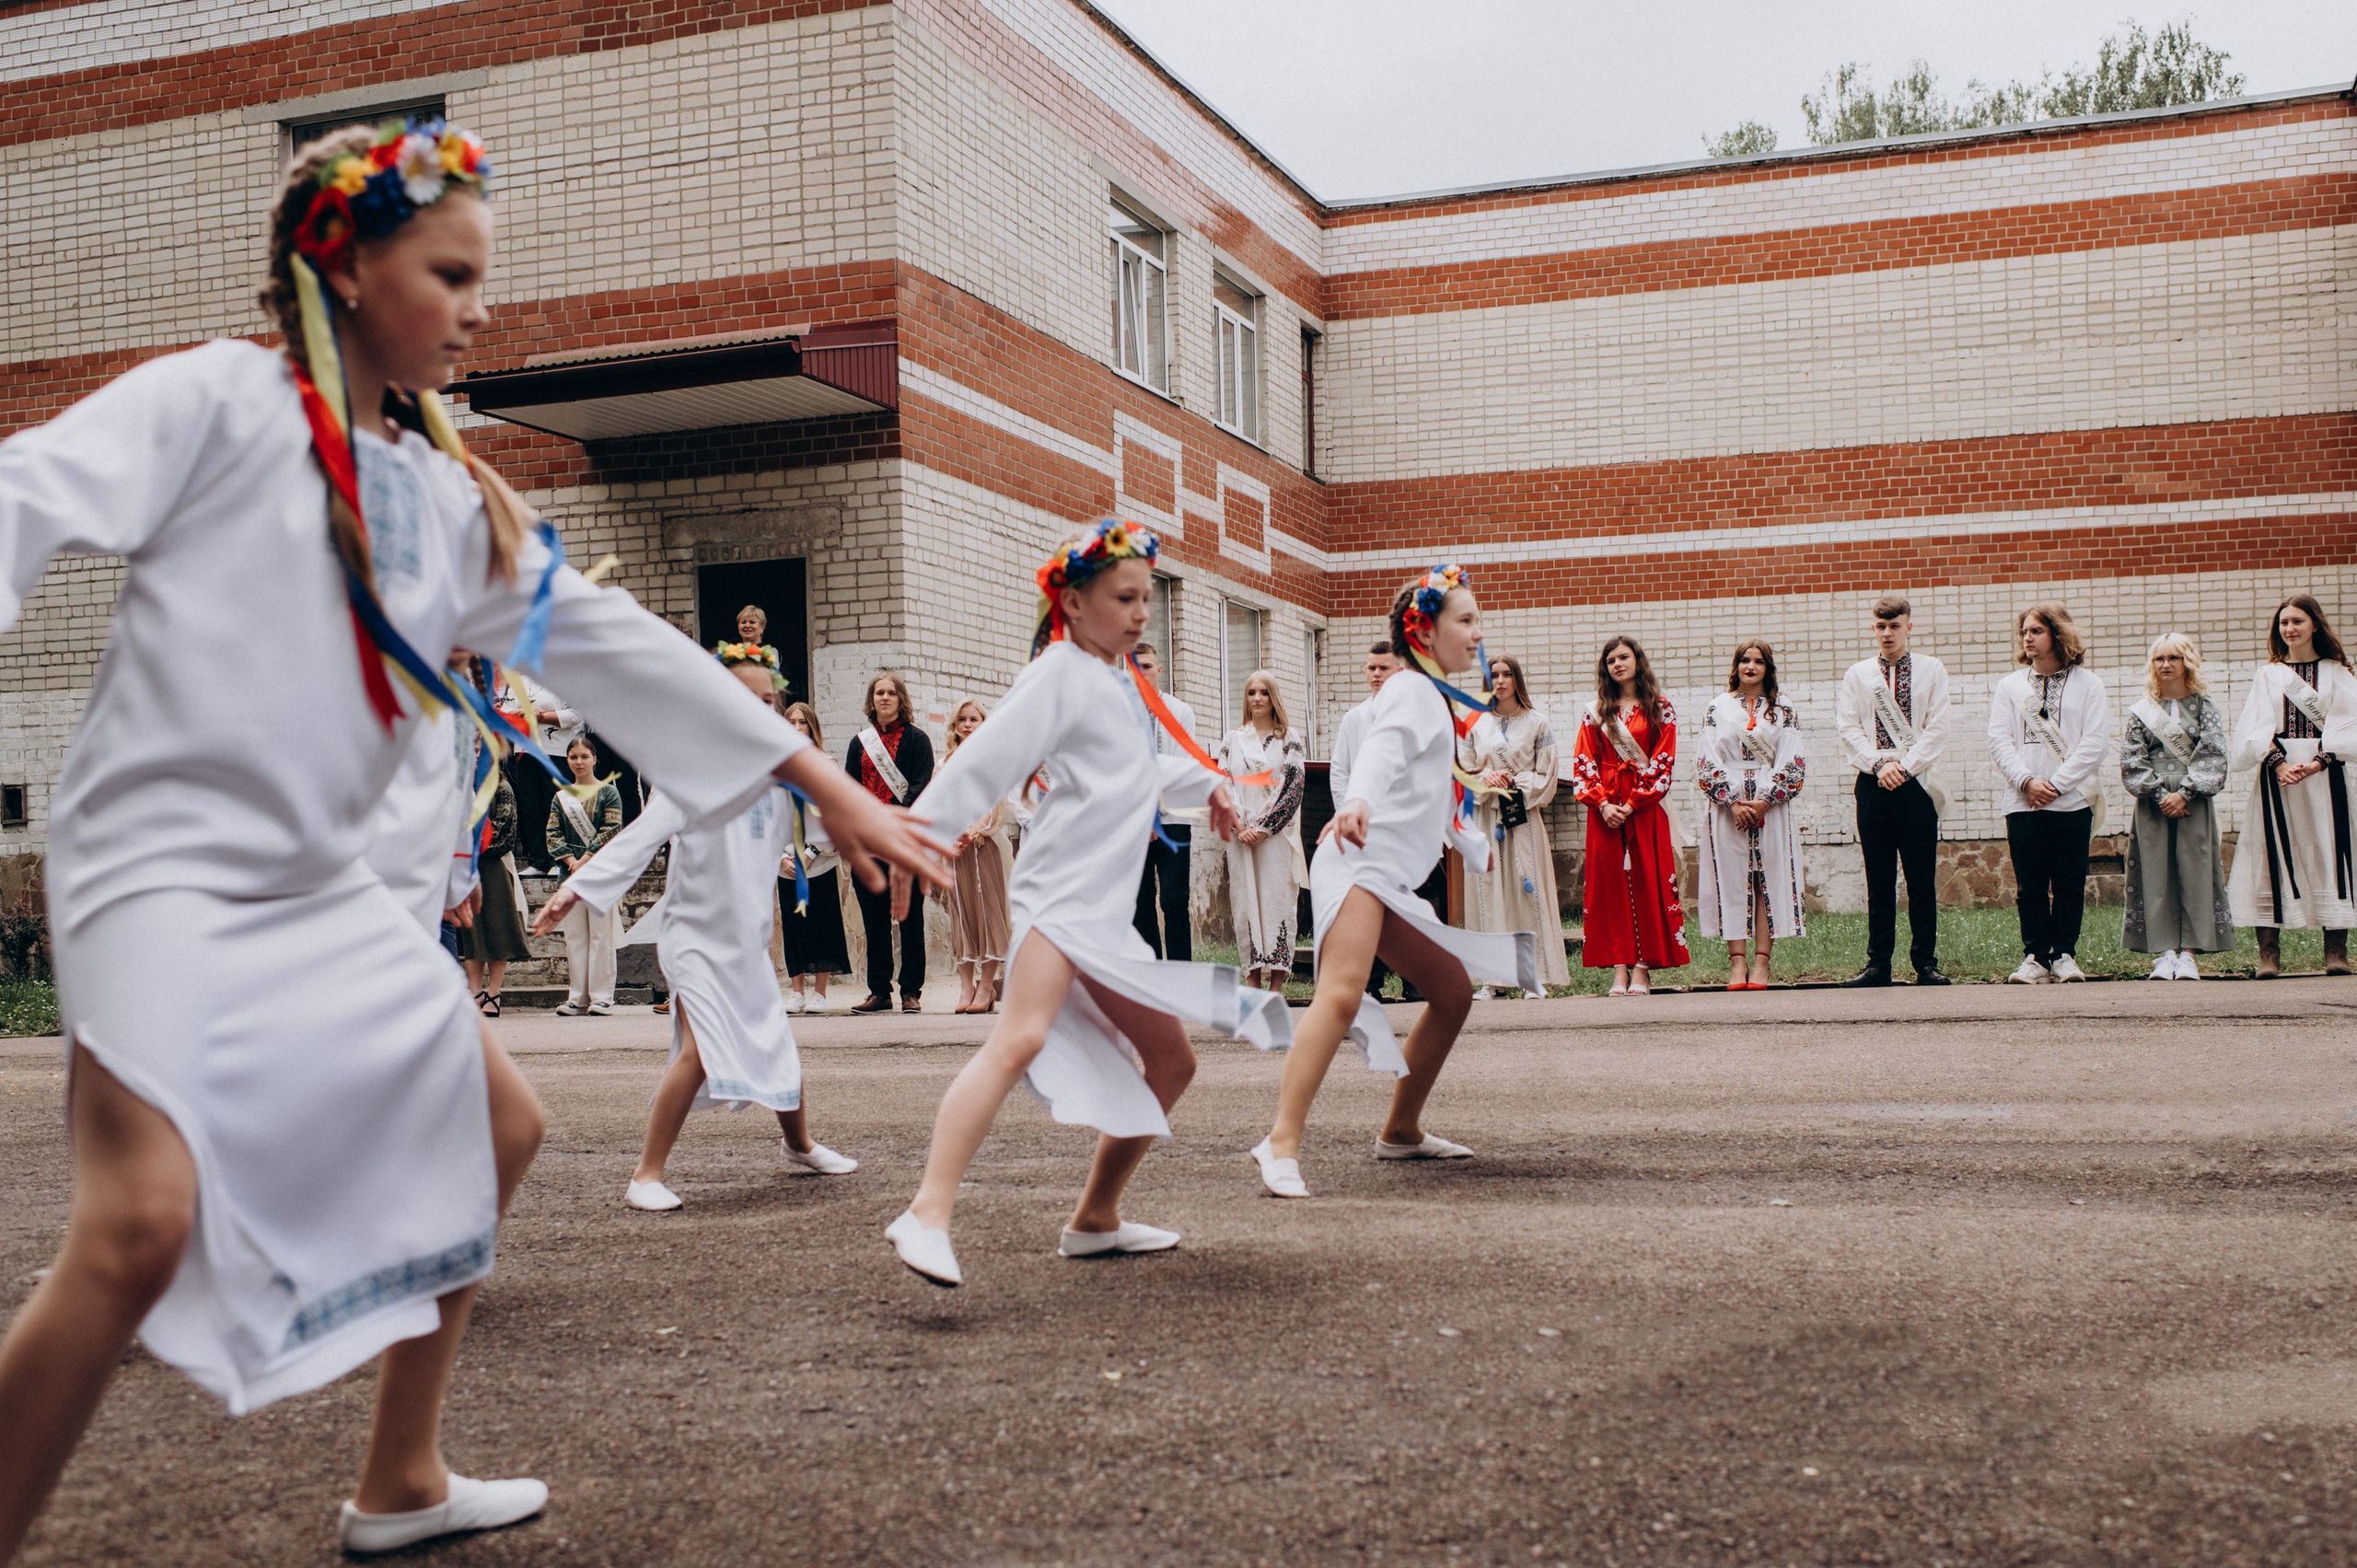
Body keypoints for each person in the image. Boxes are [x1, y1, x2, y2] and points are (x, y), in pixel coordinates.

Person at [0, 114, 944, 1559]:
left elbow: (622, 648)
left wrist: (823, 777)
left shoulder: (453, 502)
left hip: (318, 891)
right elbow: (23, 496)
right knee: (135, 1227)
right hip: (159, 866)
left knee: (499, 1120)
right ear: (346, 263)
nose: (480, 308)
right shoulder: (210, 403)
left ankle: (400, 1477)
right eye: (451, 272)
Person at [882, 519, 1287, 1287]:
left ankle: (1095, 1218)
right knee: (1019, 1038)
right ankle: (926, 1211)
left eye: (1146, 600)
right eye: (1124, 598)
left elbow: (1136, 772)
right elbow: (982, 762)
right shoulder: (1058, 673)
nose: (1142, 613)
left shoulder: (1114, 679)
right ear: (1071, 601)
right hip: (1057, 905)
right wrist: (916, 842)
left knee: (1171, 1062)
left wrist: (1214, 788)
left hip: (1102, 920)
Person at [1248, 564, 1537, 1200]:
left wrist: (1467, 842)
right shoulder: (1409, 692)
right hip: (1357, 861)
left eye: (1478, 620)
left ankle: (1401, 1130)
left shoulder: (1434, 699)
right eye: (1466, 620)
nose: (1478, 632)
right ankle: (1280, 1141)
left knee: (1452, 993)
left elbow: (1434, 788)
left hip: (1387, 876)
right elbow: (1381, 751)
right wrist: (1358, 801)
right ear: (1425, 631)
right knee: (1343, 992)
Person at [536, 647, 861, 1211]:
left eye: (768, 700)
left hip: (747, 944)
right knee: (701, 1050)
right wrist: (576, 889)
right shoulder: (690, 771)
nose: (758, 708)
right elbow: (640, 837)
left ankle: (800, 1145)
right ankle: (645, 1175)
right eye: (744, 697)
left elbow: (833, 821)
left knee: (776, 1044)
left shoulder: (782, 776)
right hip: (694, 943)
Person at [2227, 595, 2357, 976]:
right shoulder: (2269, 674)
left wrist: (2318, 763)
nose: (2290, 629)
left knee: (2330, 851)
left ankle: (2335, 951)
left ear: (2315, 624)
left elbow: (2350, 727)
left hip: (2324, 776)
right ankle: (2269, 954)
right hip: (2277, 776)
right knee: (2270, 856)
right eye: (2284, 623)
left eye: (2297, 621)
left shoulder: (2338, 672)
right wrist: (2278, 763)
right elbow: (2253, 728)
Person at [1988, 604, 2110, 984]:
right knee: (2030, 885)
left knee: (2070, 882)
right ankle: (2036, 956)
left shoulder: (2089, 684)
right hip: (2023, 802)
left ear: (2058, 635)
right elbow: (1999, 740)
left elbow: (2095, 744)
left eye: (2036, 630)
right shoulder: (2010, 686)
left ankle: (2066, 956)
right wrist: (2027, 781)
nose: (2027, 637)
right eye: (2024, 631)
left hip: (2071, 801)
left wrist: (2057, 784)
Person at [1835, 596, 1953, 987]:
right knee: (1879, 877)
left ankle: (1925, 963)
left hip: (1916, 783)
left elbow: (1938, 726)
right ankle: (1878, 964)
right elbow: (1848, 726)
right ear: (1873, 628)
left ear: (1908, 627)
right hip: (1873, 782)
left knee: (1921, 877)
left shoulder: (1932, 670)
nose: (1887, 633)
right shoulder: (1858, 674)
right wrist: (1879, 765)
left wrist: (1904, 766)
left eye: (1895, 626)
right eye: (1880, 626)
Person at [1571, 636, 1688, 996]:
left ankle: (1643, 966)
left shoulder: (1661, 708)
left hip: (1644, 808)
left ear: (1638, 660)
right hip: (1605, 810)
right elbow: (1583, 761)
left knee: (1646, 882)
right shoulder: (1595, 711)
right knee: (1611, 888)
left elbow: (1664, 761)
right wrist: (1603, 803)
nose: (1617, 664)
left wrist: (1634, 802)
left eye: (1624, 657)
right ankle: (1619, 967)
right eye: (1611, 660)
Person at [1695, 639, 1807, 989]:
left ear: (1767, 668)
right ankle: (1737, 964)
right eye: (1745, 660)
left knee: (1765, 880)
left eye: (1759, 661)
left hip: (1769, 805)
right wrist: (1732, 802)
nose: (1751, 667)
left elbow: (1793, 758)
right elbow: (1706, 758)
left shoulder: (1783, 708)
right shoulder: (1718, 707)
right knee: (1732, 880)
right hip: (1728, 806)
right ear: (1736, 665)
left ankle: (1762, 963)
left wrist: (1763, 801)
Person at [2120, 633, 2231, 979]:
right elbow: (2131, 757)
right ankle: (2165, 951)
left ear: (2187, 663)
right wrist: (2158, 796)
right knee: (2156, 874)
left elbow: (2214, 754)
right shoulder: (2142, 711)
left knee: (2195, 871)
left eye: (2174, 658)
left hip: (2193, 802)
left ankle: (2189, 954)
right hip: (2154, 803)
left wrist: (2185, 793)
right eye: (2159, 659)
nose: (2166, 665)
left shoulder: (2204, 707)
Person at [1459, 652, 1569, 996]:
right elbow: (1461, 770)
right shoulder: (1474, 723)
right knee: (1488, 892)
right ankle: (1492, 979)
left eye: (1508, 674)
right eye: (1495, 675)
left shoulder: (1538, 723)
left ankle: (1530, 976)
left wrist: (1515, 782)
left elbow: (1547, 775)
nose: (1501, 681)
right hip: (1486, 816)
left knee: (1526, 890)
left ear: (1517, 679)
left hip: (1522, 816)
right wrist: (1485, 778)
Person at [844, 670, 935, 1012]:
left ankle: (910, 991)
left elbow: (920, 786)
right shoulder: (860, 742)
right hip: (869, 842)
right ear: (872, 700)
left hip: (904, 839)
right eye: (879, 693)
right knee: (874, 919)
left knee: (910, 916)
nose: (885, 698)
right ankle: (879, 991)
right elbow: (850, 789)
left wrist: (891, 818)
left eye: (891, 693)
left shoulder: (917, 740)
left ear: (900, 700)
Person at [1331, 640, 1414, 1002]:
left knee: (1409, 903)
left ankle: (1414, 982)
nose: (1376, 674)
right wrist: (1348, 816)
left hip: (1403, 824)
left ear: (1399, 671)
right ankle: (1371, 983)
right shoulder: (1355, 718)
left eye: (1383, 668)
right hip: (1365, 827)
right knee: (1368, 906)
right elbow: (1340, 771)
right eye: (1371, 668)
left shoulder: (1412, 715)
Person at [1220, 669, 1308, 994]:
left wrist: (1264, 827)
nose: (1257, 698)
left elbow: (1294, 788)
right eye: (1251, 692)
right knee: (1246, 901)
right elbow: (1224, 783)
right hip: (1241, 835)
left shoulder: (1290, 738)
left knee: (1277, 899)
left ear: (1274, 698)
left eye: (1264, 693)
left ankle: (1277, 983)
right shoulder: (1233, 739)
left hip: (1276, 836)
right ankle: (1253, 979)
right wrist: (1241, 825)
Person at [941, 698, 1015, 1014]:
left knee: (989, 915)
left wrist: (973, 830)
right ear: (954, 726)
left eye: (974, 719)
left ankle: (987, 986)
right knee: (962, 915)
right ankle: (965, 985)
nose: (968, 725)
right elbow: (940, 802)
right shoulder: (946, 763)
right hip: (955, 848)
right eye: (962, 720)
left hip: (985, 844)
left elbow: (996, 803)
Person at [778, 702, 850, 1014]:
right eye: (791, 722)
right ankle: (797, 992)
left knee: (823, 923)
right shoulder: (775, 767)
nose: (796, 728)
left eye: (802, 723)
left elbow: (834, 815)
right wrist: (779, 857)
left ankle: (820, 991)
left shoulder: (827, 764)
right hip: (786, 863)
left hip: (818, 860)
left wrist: (811, 851)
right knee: (793, 927)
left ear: (813, 727)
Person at [545, 734, 623, 1016]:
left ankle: (602, 996)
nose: (579, 762)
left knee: (601, 935)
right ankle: (577, 996)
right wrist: (571, 861)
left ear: (594, 759)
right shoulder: (561, 797)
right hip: (570, 876)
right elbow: (552, 834)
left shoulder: (608, 792)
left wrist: (587, 858)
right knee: (575, 935)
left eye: (584, 756)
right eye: (573, 757)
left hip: (600, 873)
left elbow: (612, 828)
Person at [1130, 643, 1198, 960]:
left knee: (1173, 900)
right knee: (1140, 902)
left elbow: (1180, 764)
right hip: (1133, 825)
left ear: (1159, 670)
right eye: (1134, 666)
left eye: (1146, 665)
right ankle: (1153, 977)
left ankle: (1182, 976)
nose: (1140, 672)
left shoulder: (1180, 711)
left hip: (1173, 819)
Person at [460, 770, 532, 1016]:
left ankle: (494, 992)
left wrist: (474, 849)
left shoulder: (501, 788)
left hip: (493, 865)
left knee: (497, 928)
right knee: (471, 931)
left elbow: (505, 833)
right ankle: (474, 992)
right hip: (465, 866)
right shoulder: (458, 786)